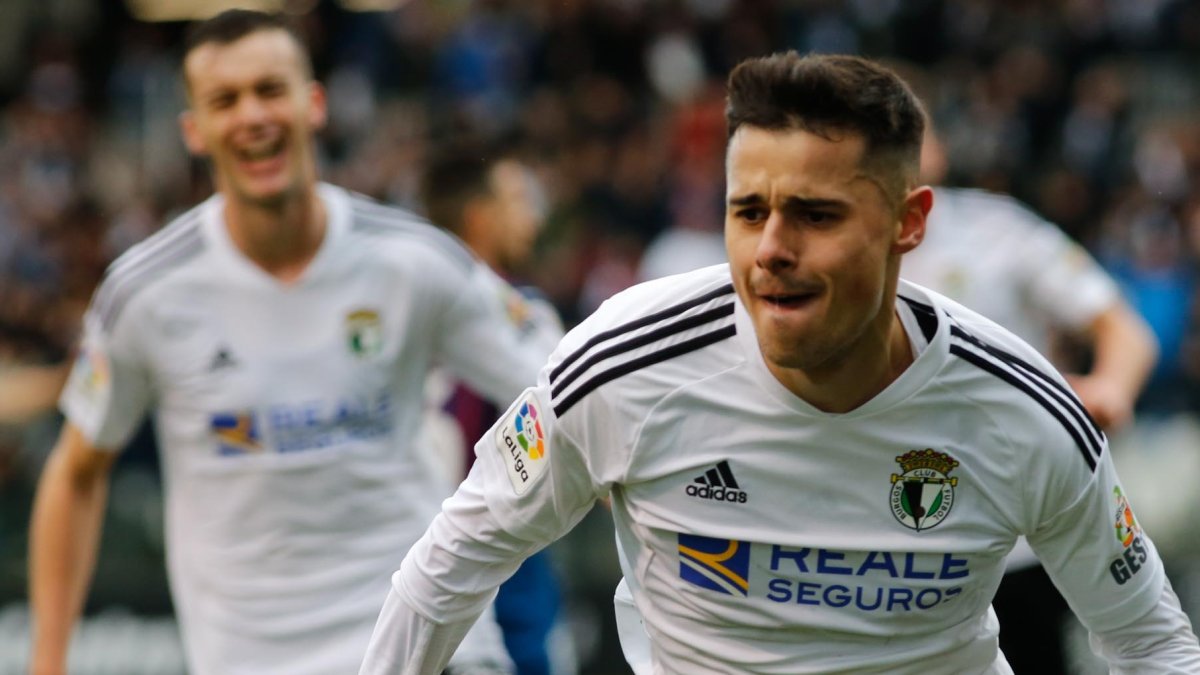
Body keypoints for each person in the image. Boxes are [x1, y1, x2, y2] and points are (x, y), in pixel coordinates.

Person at [358, 52, 1200, 674]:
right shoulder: (623, 365)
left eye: (814, 214)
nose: (770, 249)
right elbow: (449, 566)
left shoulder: (1023, 411)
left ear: (910, 222)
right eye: (747, 209)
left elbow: (1150, 638)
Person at [25, 10, 557, 675]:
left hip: (431, 649)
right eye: (225, 99)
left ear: (314, 103)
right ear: (193, 129)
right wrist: (47, 660)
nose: (252, 114)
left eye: (270, 89)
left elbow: (564, 386)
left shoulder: (416, 262)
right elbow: (76, 472)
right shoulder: (146, 293)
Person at [902, 127, 1160, 673]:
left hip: (1013, 539)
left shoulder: (999, 229)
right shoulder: (820, 245)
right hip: (882, 543)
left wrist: (1108, 391)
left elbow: (1124, 331)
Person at [420, 150, 574, 675]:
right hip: (501, 566)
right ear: (479, 216)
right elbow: (575, 417)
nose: (532, 216)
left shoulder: (394, 305)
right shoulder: (521, 311)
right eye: (518, 201)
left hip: (403, 560)